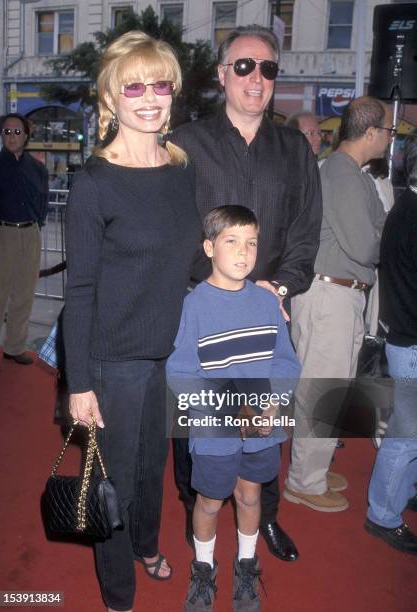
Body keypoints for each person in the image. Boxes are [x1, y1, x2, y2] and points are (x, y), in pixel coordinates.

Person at [169, 24, 322, 562]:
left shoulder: (294, 148)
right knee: (199, 423)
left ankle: (266, 520)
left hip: (268, 309)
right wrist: (208, 288)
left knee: (264, 420)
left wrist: (276, 286)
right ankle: (198, 512)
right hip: (201, 307)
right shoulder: (186, 143)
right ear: (221, 74)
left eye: (268, 69)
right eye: (244, 66)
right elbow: (169, 231)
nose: (257, 78)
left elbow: (306, 231)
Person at [62, 31, 201, 612]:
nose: (149, 97)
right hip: (112, 361)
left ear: (173, 92)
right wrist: (79, 384)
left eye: (159, 83)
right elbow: (81, 288)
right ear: (111, 100)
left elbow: (189, 258)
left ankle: (146, 544)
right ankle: (118, 589)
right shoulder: (94, 183)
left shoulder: (179, 168)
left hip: (167, 353)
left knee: (153, 466)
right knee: (112, 479)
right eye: (133, 86)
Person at [167, 205, 300, 611]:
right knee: (209, 500)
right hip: (215, 428)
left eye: (251, 243)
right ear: (209, 247)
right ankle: (203, 570)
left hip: (263, 424)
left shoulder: (265, 303)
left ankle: (246, 564)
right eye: (231, 242)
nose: (243, 253)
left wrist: (275, 401)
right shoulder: (195, 305)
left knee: (250, 495)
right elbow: (181, 371)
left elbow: (285, 360)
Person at [284, 96, 391, 511]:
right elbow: (367, 244)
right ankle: (304, 481)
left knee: (334, 390)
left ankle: (313, 468)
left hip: (341, 294)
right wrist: (388, 243)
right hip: (330, 295)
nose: (388, 138)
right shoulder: (344, 175)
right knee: (323, 391)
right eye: (386, 130)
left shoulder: (352, 173)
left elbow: (377, 231)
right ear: (369, 132)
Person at [364, 134, 417, 554]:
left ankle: (399, 494)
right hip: (411, 341)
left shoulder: (407, 208)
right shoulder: (412, 216)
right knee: (406, 436)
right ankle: (383, 513)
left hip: (406, 337)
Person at [0, 113, 48, 375]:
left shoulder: (37, 168)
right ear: (1, 135)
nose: (12, 136)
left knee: (24, 295)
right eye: (7, 131)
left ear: (26, 135)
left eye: (17, 132)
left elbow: (43, 201)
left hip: (31, 233)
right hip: (1, 233)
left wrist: (39, 222)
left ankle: (14, 348)